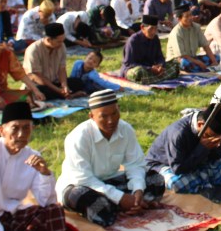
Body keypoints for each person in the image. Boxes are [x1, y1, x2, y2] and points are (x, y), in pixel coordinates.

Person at [56, 90, 164, 228]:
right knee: (88, 199)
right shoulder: (78, 137)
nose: (111, 120)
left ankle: (128, 205)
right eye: (104, 116)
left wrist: (137, 191)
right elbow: (84, 179)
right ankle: (123, 206)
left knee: (156, 180)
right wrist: (120, 198)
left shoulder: (126, 130)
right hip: (81, 186)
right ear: (92, 116)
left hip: (111, 182)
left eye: (114, 113)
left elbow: (135, 164)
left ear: (119, 110)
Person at [0, 102, 67, 231]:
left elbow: (43, 201)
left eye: (26, 128)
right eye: (15, 128)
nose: (21, 134)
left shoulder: (33, 157)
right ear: (1, 131)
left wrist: (44, 173)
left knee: (54, 210)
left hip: (12, 214)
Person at [145, 103, 221, 194]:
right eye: (209, 136)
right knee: (177, 184)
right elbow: (178, 169)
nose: (211, 139)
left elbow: (216, 155)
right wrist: (203, 148)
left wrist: (216, 147)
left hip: (194, 162)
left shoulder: (211, 130)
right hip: (164, 165)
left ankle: (202, 183)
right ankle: (203, 182)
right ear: (200, 124)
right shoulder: (178, 133)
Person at [23, 23, 84, 100]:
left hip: (55, 82)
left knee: (78, 82)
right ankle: (68, 95)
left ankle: (64, 94)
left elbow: (62, 69)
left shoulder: (61, 46)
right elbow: (37, 77)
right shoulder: (33, 50)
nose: (61, 44)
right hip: (40, 84)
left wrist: (64, 85)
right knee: (41, 91)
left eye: (62, 41)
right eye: (58, 41)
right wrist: (57, 90)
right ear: (48, 40)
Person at [120, 15, 179, 83]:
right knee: (138, 72)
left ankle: (152, 79)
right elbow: (129, 63)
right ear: (142, 27)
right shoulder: (133, 41)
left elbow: (159, 56)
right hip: (138, 69)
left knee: (175, 64)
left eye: (155, 29)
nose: (153, 32)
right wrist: (149, 69)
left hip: (152, 69)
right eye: (151, 29)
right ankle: (158, 78)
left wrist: (160, 65)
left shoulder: (155, 38)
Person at [167, 6, 218, 73]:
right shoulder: (176, 33)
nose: (190, 18)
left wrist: (214, 61)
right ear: (179, 19)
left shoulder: (196, 27)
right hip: (178, 60)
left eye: (190, 15)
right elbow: (182, 55)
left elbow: (205, 45)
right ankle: (201, 69)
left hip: (192, 58)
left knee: (217, 57)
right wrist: (199, 63)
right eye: (187, 16)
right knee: (185, 63)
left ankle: (200, 69)